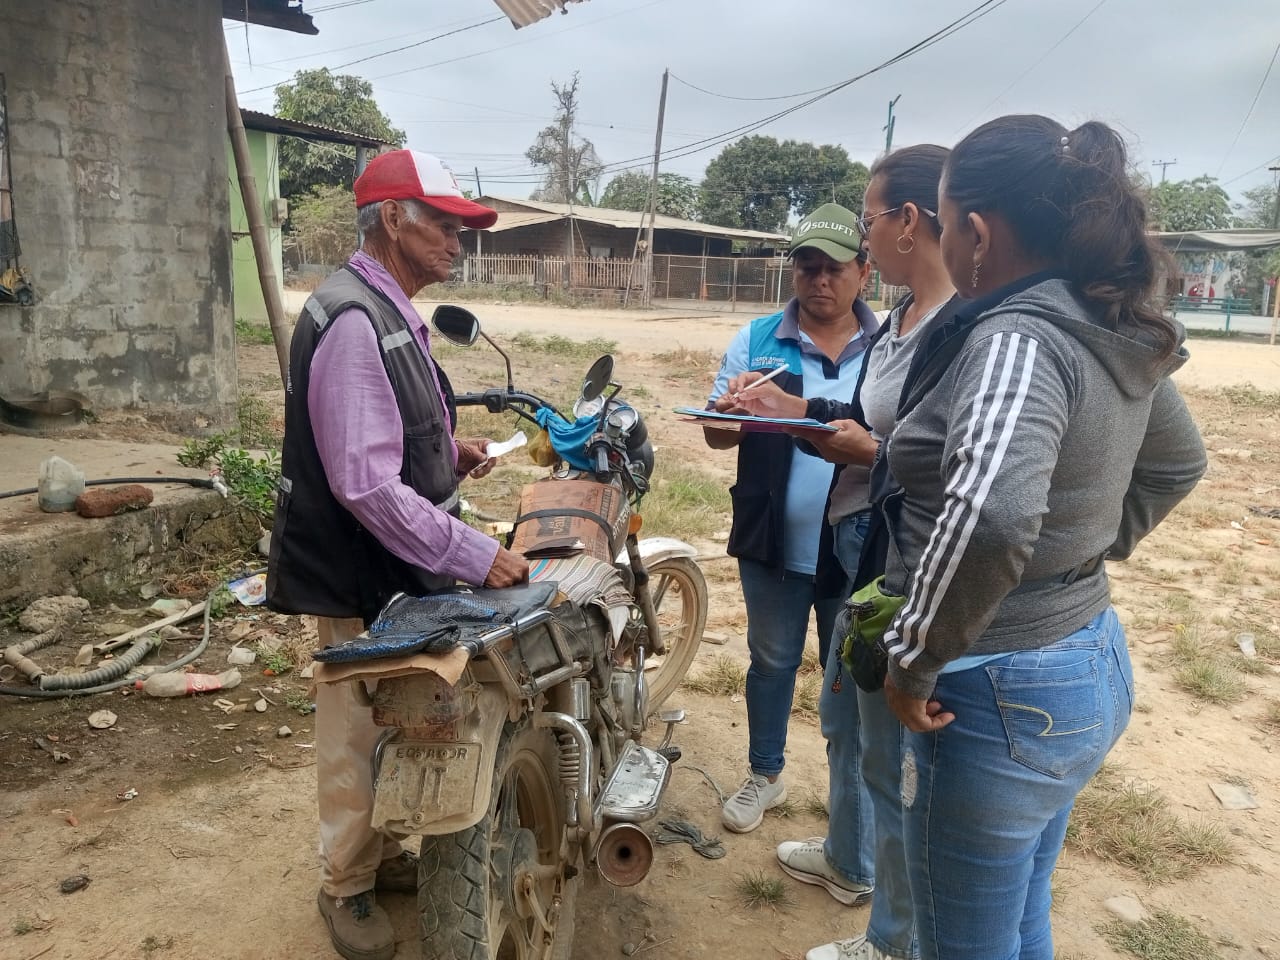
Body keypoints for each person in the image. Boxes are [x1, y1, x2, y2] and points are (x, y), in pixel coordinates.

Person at [879, 116, 1207, 960]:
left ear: (979, 233)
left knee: (966, 940)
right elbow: (1178, 463)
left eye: (948, 224)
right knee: (1021, 912)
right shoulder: (1104, 323)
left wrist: (914, 659)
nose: (947, 243)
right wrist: (1081, 555)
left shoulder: (1017, 337)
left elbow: (991, 518)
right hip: (1085, 656)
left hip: (994, 686)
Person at [266, 149, 529, 960]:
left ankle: (379, 856)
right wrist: (474, 552)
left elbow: (387, 434)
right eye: (443, 224)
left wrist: (448, 449)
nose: (457, 241)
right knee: (357, 730)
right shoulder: (355, 320)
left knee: (397, 718)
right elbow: (364, 483)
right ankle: (346, 883)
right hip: (356, 571)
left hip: (391, 567)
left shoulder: (389, 311)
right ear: (391, 219)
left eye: (460, 227)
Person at [739, 145, 957, 960]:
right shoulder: (907, 321)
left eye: (864, 226)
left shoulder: (966, 328)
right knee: (844, 714)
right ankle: (846, 857)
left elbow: (961, 473)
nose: (827, 271)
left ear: (905, 225)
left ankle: (890, 936)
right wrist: (803, 414)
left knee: (887, 755)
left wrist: (874, 456)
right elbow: (875, 425)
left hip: (901, 563)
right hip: (859, 554)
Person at [703, 203, 878, 863]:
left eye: (834, 268)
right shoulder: (757, 340)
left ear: (864, 273)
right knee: (772, 661)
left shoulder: (888, 347)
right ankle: (765, 774)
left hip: (856, 548)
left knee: (848, 680)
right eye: (807, 267)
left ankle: (848, 803)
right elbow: (716, 432)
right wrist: (731, 413)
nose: (819, 281)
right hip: (772, 539)